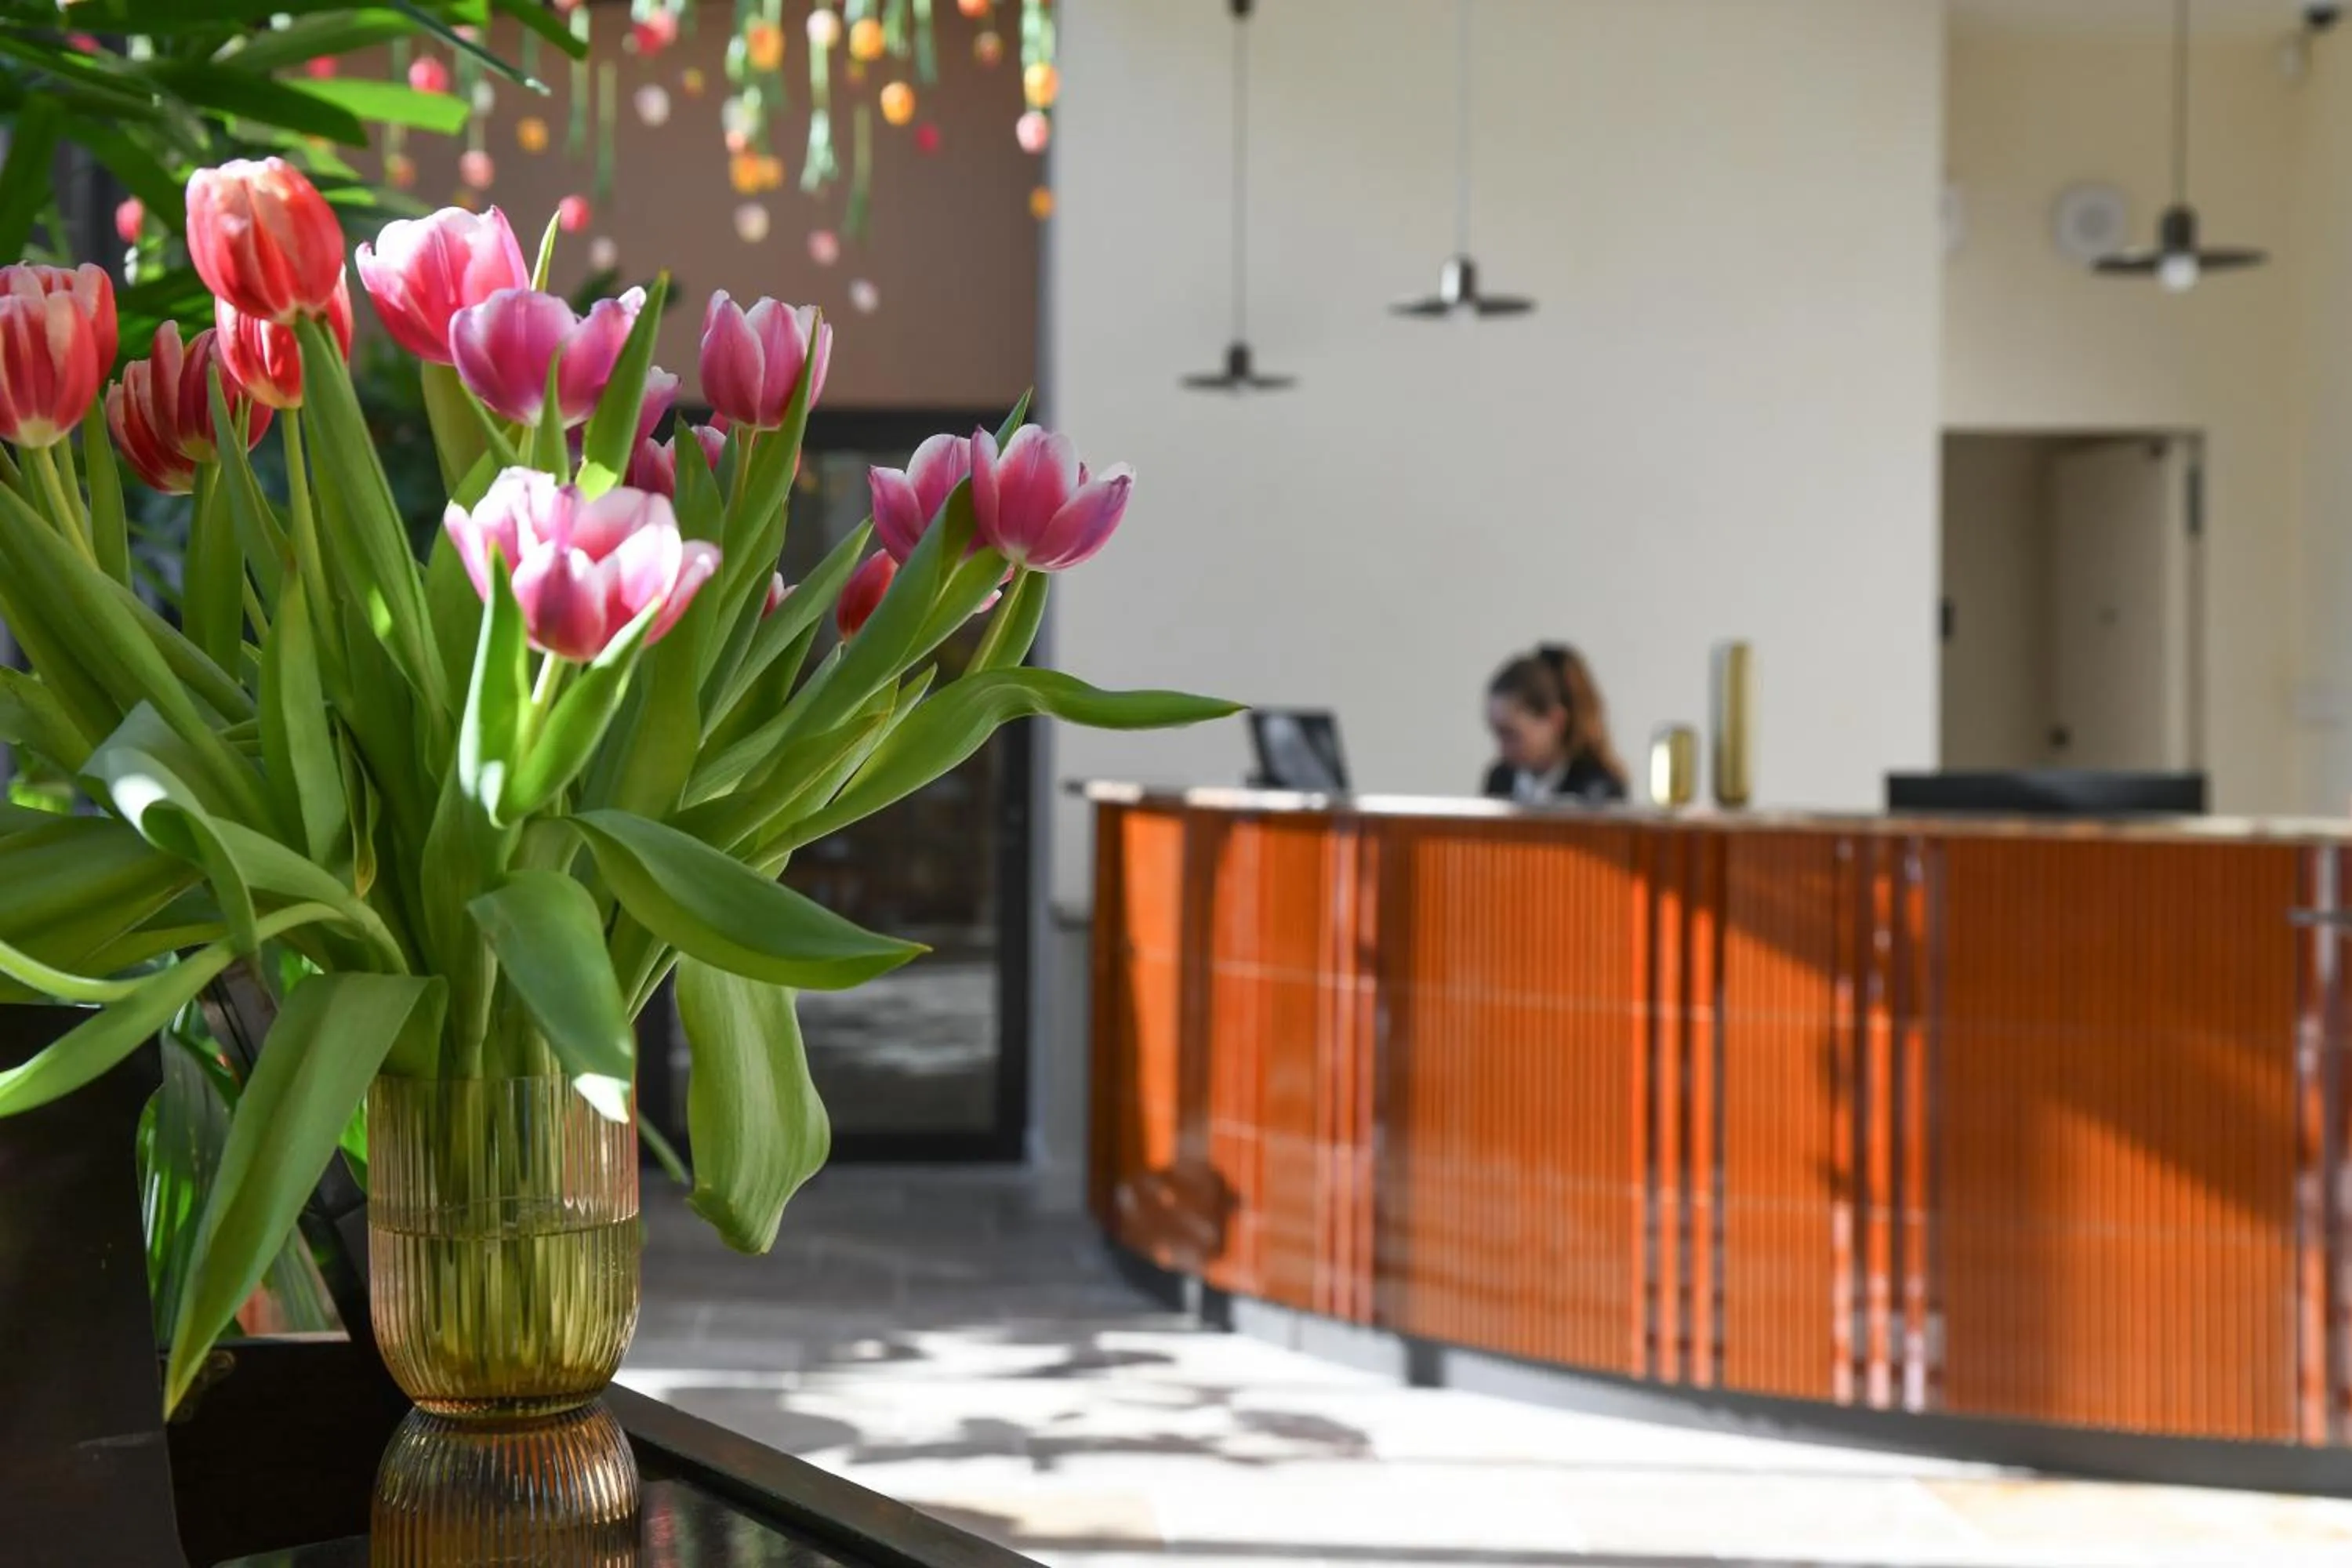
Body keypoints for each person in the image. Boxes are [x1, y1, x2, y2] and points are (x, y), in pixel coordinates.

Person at [1482, 644, 1629, 804]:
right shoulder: (1500, 779)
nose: (1502, 749)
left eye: (1511, 734)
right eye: (1497, 734)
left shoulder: (1597, 786)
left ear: (1555, 721)